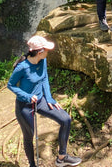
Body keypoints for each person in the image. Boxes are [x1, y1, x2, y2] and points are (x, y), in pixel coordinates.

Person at [7, 35, 82, 167]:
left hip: (41, 101)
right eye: (46, 50)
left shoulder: (43, 61)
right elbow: (11, 85)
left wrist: (49, 98)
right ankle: (32, 164)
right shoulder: (22, 67)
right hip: (25, 106)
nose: (48, 52)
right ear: (40, 52)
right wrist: (27, 96)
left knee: (65, 120)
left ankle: (62, 158)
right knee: (29, 135)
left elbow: (44, 78)